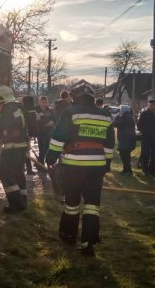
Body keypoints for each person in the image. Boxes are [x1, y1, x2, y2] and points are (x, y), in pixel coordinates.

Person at [46, 83, 114, 256]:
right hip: (96, 166)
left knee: (72, 203)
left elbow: (58, 138)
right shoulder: (105, 115)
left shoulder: (70, 112)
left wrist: (50, 158)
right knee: (92, 205)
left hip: (74, 165)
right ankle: (88, 242)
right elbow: (109, 144)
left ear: (74, 97)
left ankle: (68, 234)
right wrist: (106, 164)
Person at [0, 85, 29, 213]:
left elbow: (0, 124)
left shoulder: (8, 108)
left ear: (2, 98)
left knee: (6, 174)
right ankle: (23, 201)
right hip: (21, 146)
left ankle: (16, 204)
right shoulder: (19, 106)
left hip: (12, 147)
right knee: (19, 173)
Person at [137, 98, 155, 174]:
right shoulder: (144, 114)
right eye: (151, 105)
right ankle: (145, 170)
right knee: (145, 153)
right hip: (146, 137)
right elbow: (139, 125)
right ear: (149, 105)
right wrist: (145, 131)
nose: (153, 106)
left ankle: (152, 170)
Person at [113, 105, 137, 176]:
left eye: (120, 109)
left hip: (125, 140)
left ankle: (128, 171)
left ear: (123, 110)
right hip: (128, 139)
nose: (119, 111)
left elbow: (115, 124)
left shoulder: (125, 117)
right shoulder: (129, 117)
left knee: (125, 156)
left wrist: (117, 117)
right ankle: (126, 170)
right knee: (126, 156)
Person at [36, 95, 55, 165]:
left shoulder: (49, 110)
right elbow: (36, 120)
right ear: (39, 102)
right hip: (40, 132)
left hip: (49, 132)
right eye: (42, 102)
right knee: (42, 148)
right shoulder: (36, 109)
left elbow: (54, 119)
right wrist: (45, 123)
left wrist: (52, 122)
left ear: (47, 102)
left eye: (45, 102)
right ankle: (41, 163)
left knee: (47, 147)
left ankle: (40, 160)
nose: (43, 104)